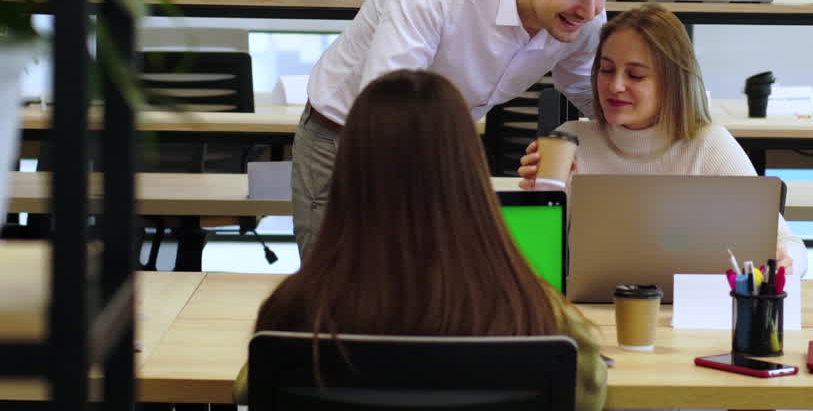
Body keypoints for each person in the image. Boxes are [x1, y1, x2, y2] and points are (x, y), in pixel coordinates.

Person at [237, 70, 606, 410]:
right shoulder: (533, 311)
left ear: (350, 171)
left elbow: (250, 391)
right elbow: (588, 391)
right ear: (470, 171)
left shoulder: (296, 310)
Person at [294, 0, 621, 256]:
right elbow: (388, 103)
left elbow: (590, 93)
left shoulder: (586, 16)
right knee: (341, 283)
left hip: (439, 146)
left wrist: (653, 140)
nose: (589, 11)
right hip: (349, 137)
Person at [518, 3, 808, 277]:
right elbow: (533, 259)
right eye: (606, 70)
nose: (615, 85)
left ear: (673, 82)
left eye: (635, 75)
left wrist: (786, 262)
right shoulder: (570, 141)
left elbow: (788, 244)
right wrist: (540, 200)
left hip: (691, 309)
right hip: (589, 307)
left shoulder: (709, 145)